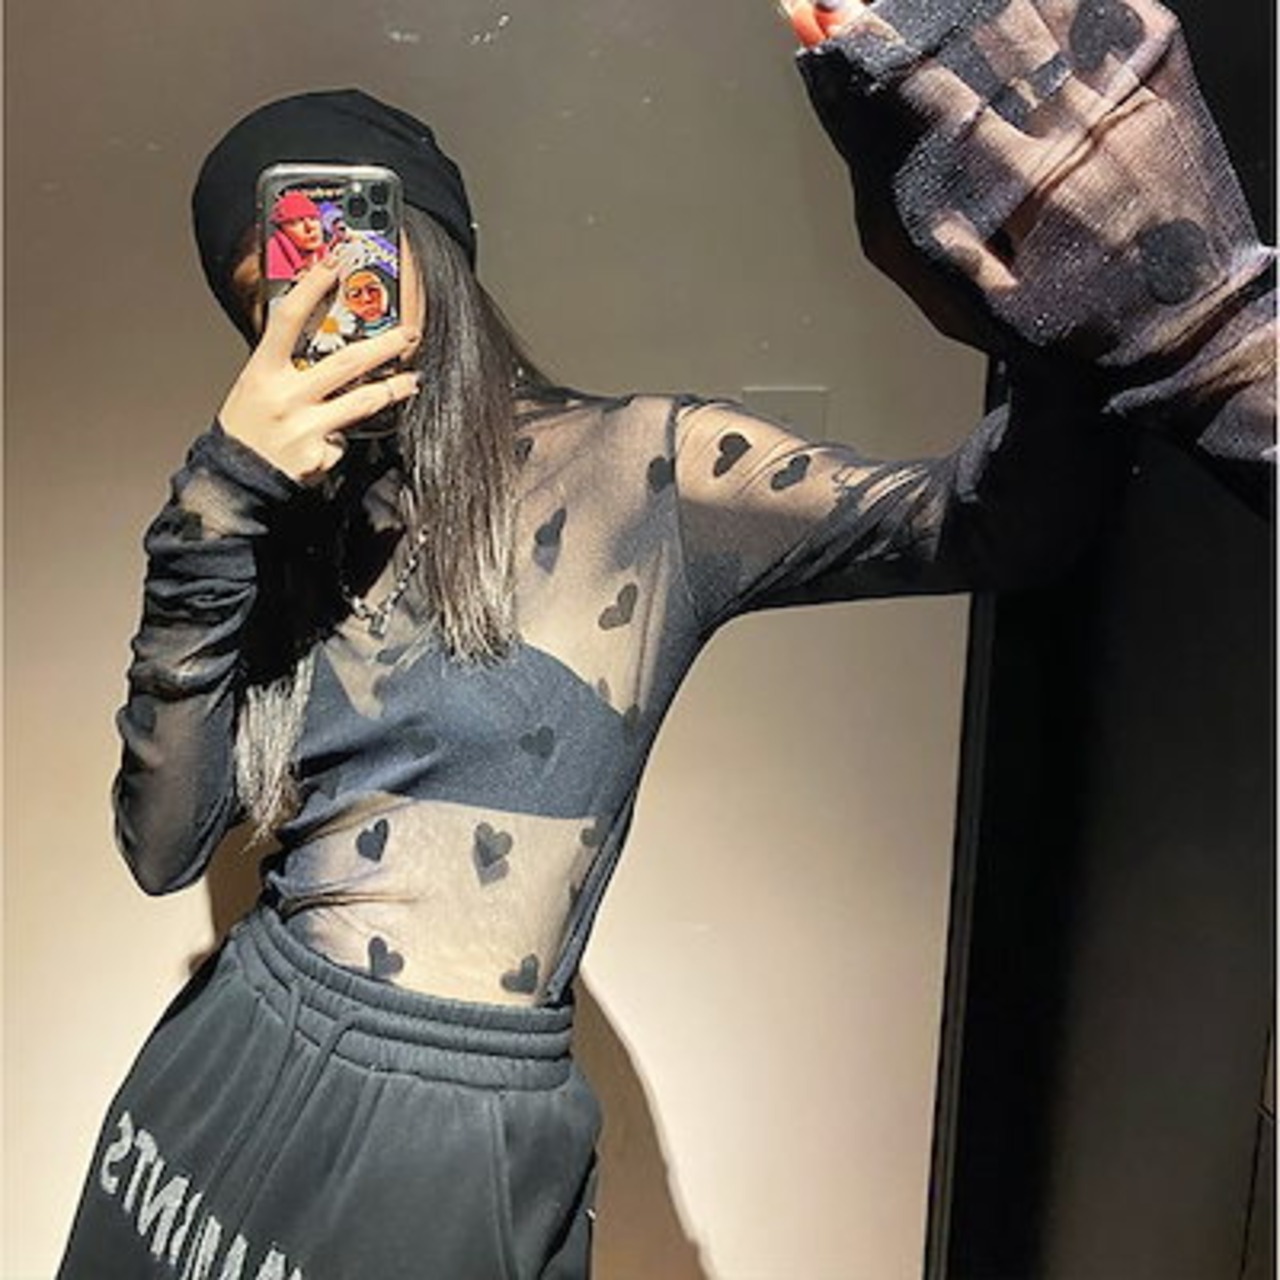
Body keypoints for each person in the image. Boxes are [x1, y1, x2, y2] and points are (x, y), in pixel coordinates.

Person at [57, 1, 1274, 1277]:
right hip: (220, 1074)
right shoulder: (258, 527)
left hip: (450, 1137)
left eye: (331, 255)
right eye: (262, 294)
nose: (302, 307)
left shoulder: (643, 476)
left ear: (426, 243)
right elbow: (163, 844)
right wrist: (219, 504)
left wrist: (1041, 295)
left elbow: (992, 528)